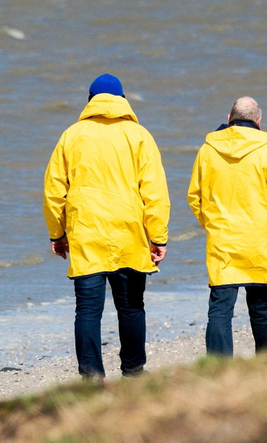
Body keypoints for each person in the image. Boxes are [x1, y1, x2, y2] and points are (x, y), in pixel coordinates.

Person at [43, 73, 170, 378]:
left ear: (90, 101)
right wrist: (158, 237)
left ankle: (91, 374)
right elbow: (155, 192)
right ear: (123, 100)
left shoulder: (71, 136)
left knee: (87, 310)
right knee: (131, 306)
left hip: (86, 233)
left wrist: (57, 233)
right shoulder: (139, 135)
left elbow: (52, 191)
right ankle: (134, 369)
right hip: (128, 233)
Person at [187, 96, 267, 357]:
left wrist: (211, 223)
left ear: (228, 119)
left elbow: (195, 197)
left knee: (220, 308)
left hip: (223, 239)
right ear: (259, 122)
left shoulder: (208, 150)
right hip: (259, 239)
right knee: (261, 305)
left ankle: (218, 367)